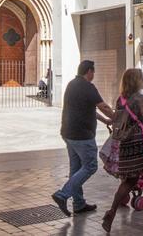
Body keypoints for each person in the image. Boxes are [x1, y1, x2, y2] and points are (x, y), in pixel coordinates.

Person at [101, 68, 143, 232]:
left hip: (126, 146)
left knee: (129, 181)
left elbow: (119, 119)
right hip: (142, 145)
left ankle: (111, 211)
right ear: (138, 81)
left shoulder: (120, 99)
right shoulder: (139, 99)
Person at [52, 60, 115, 218]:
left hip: (68, 134)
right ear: (89, 71)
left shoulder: (72, 85)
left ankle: (78, 204)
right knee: (90, 166)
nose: (93, 75)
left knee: (75, 169)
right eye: (93, 72)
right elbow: (104, 107)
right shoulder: (88, 87)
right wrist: (116, 118)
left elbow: (89, 109)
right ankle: (63, 194)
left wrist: (106, 121)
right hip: (82, 136)